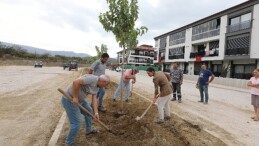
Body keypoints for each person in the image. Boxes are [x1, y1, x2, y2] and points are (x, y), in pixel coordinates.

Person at [61, 74, 110, 146]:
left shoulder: (98, 86)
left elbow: (94, 98)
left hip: (80, 100)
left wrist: (96, 113)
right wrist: (75, 97)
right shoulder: (92, 79)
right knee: (77, 122)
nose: (105, 87)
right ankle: (69, 142)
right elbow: (76, 82)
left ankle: (88, 130)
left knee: (90, 111)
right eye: (105, 85)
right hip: (70, 100)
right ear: (102, 81)